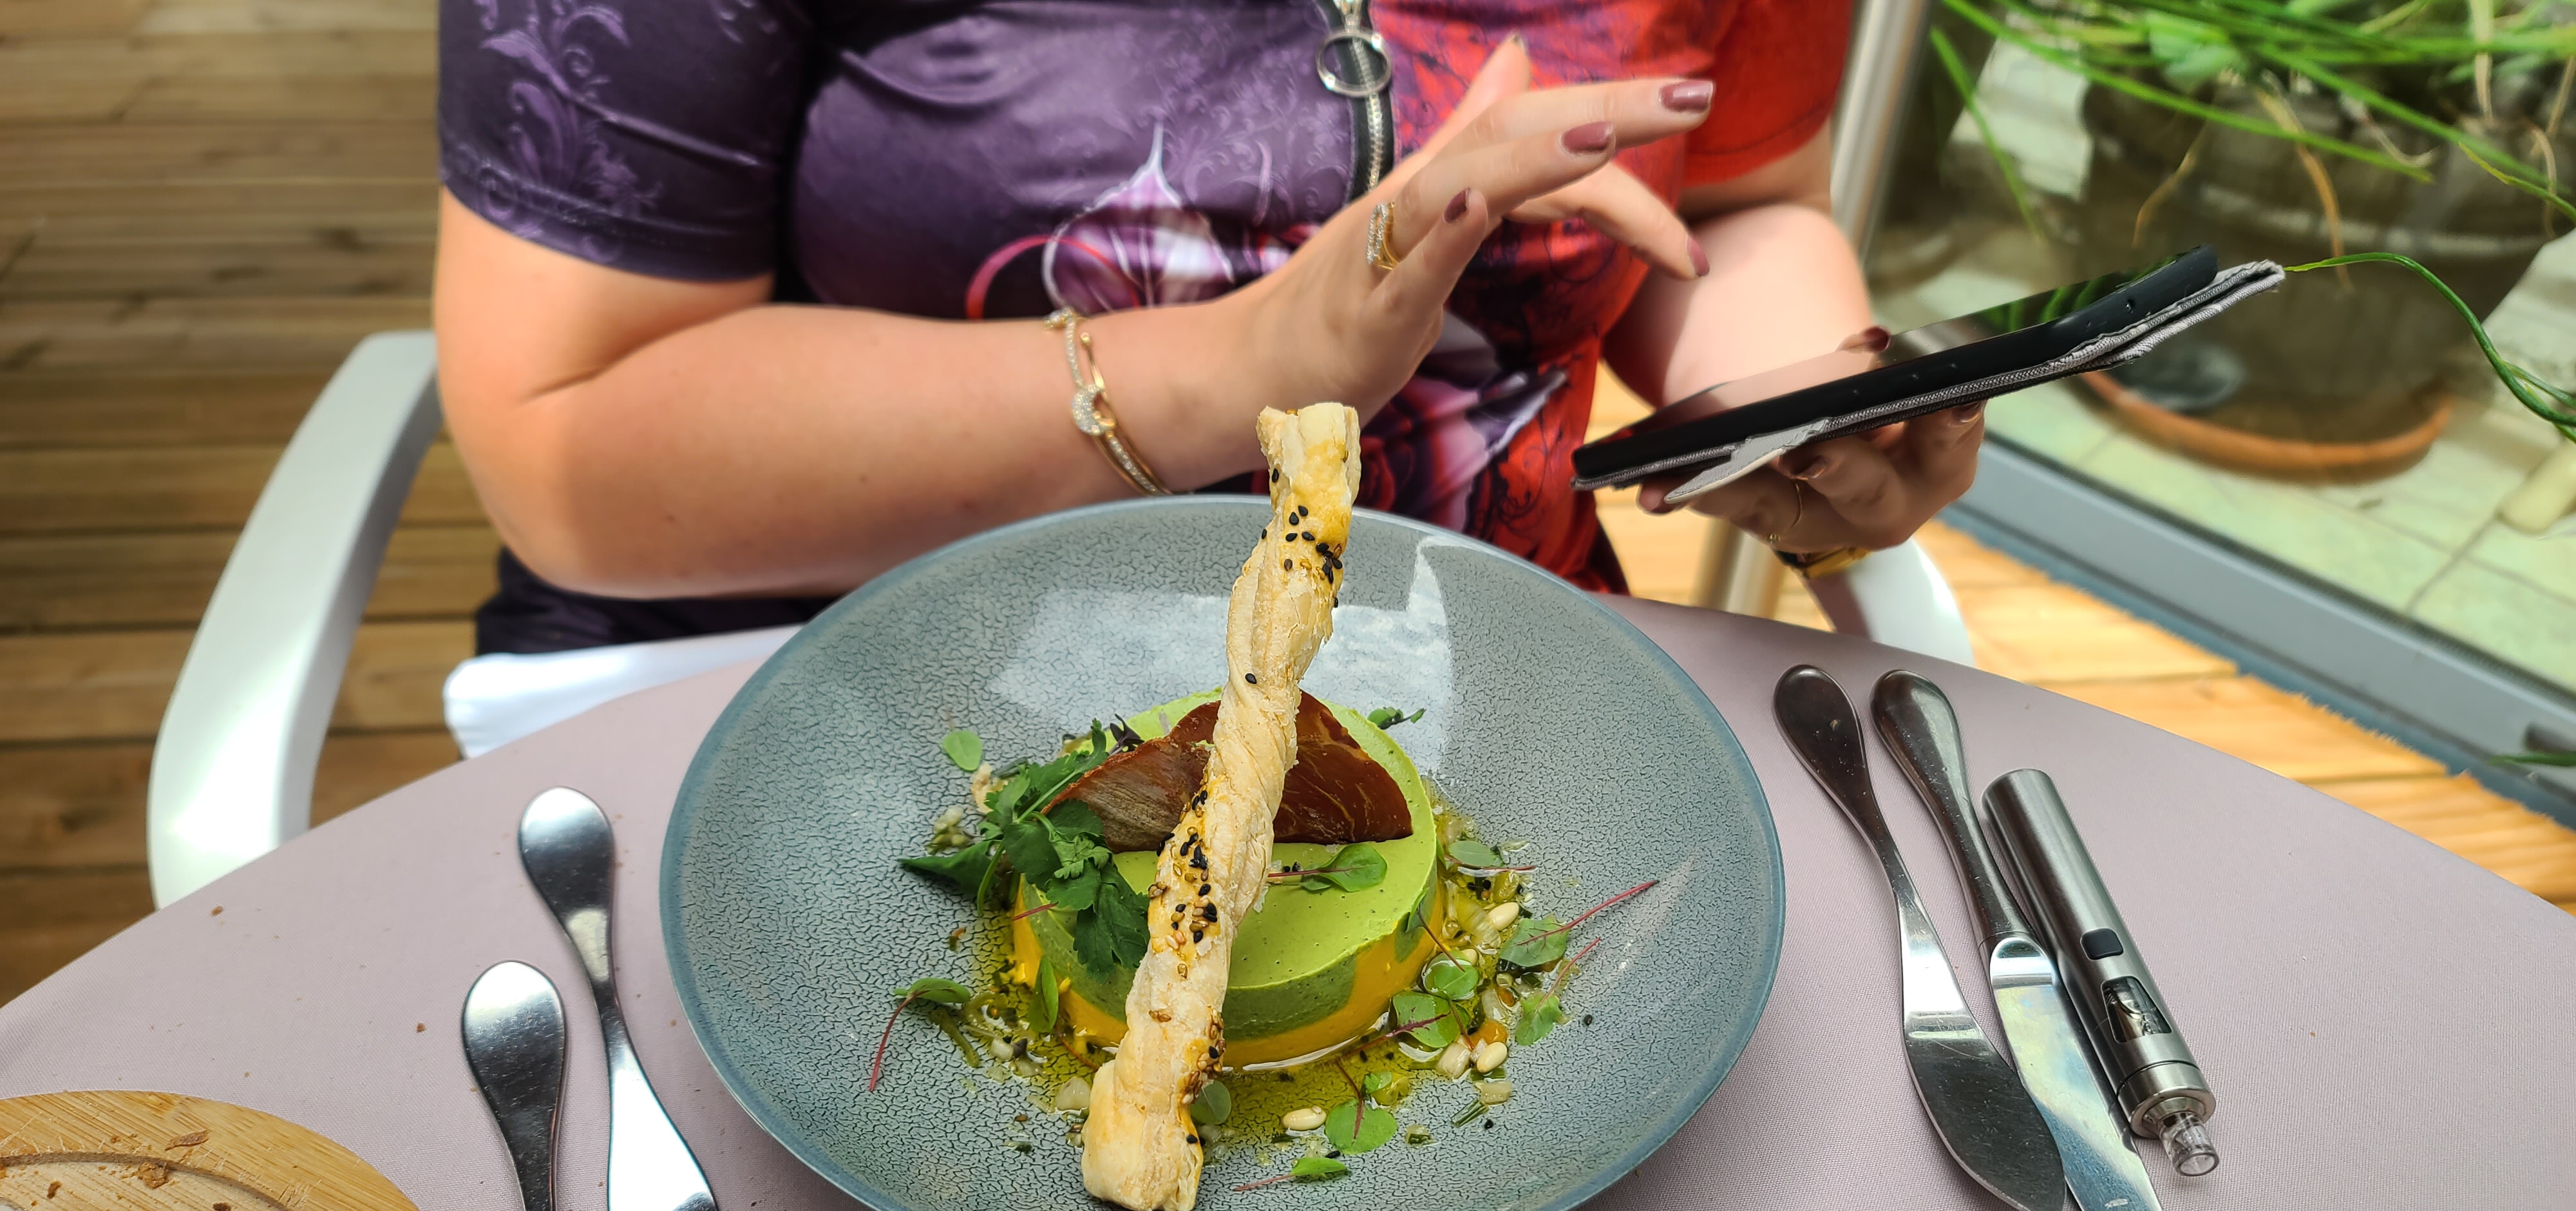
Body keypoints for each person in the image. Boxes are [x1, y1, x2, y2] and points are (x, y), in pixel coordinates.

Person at [433, 0, 1984, 653]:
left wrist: (1784, 411)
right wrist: (1248, 368)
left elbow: (1735, 203)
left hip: (1498, 680)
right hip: (865, 697)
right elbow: (572, 439)